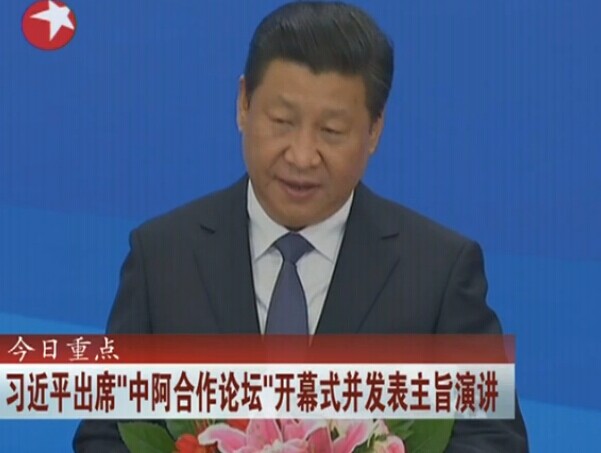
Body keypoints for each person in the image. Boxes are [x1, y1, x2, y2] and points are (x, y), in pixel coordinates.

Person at [73, 1, 528, 451]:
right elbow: (106, 437)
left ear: (374, 129)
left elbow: (493, 442)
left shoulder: (437, 270)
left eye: (332, 131)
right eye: (282, 122)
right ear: (243, 104)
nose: (302, 155)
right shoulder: (162, 257)